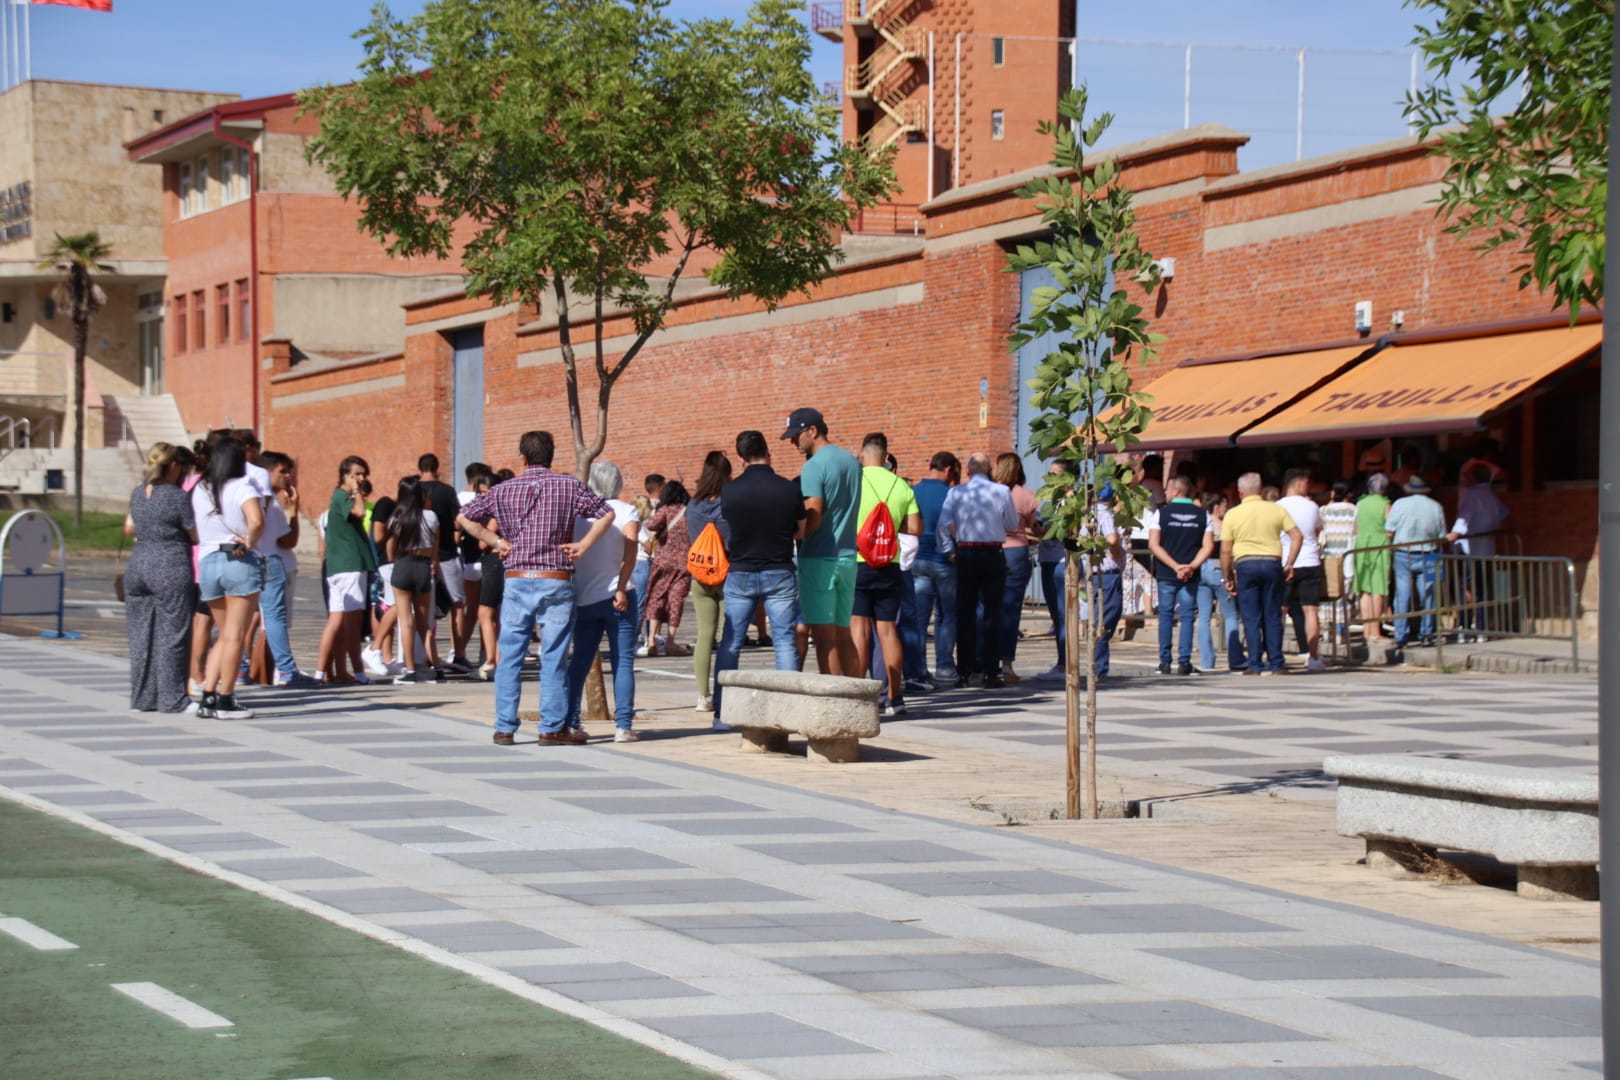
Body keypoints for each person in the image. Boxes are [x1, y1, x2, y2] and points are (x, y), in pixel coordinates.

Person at [457, 430, 616, 746]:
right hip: (555, 577)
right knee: (553, 654)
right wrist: (583, 544)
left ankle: (504, 726)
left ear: (523, 457)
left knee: (511, 656)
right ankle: (552, 726)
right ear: (552, 455)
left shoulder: (503, 489)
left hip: (517, 575)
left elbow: (465, 517)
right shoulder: (568, 485)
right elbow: (606, 512)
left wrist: (497, 542)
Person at [714, 429, 807, 723]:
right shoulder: (789, 489)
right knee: (784, 641)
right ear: (769, 452)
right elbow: (801, 529)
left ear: (741, 458)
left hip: (740, 571)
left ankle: (721, 713)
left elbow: (729, 527)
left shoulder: (729, 491)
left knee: (731, 642)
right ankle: (789, 712)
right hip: (779, 568)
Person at [563, 460, 642, 741]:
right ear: (617, 483)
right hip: (618, 594)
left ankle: (571, 722)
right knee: (623, 661)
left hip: (584, 596)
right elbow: (631, 547)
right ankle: (623, 726)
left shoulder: (578, 515)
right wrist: (621, 585)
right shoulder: (625, 510)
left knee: (580, 661)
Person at [783, 407, 862, 676]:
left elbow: (814, 513)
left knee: (824, 638)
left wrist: (796, 534)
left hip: (819, 558)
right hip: (848, 555)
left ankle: (830, 701)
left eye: (796, 435)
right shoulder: (852, 462)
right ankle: (856, 700)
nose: (793, 441)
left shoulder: (813, 466)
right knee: (844, 636)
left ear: (813, 431)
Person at [191, 436, 264, 719]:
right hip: (237, 559)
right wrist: (250, 541)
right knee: (235, 635)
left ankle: (208, 695)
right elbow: (256, 520)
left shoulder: (201, 488)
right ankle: (226, 698)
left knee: (223, 634)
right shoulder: (242, 486)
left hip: (208, 563)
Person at [125, 442, 198, 714]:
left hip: (138, 565)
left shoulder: (137, 493)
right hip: (169, 566)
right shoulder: (177, 496)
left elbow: (132, 525)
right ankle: (172, 699)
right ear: (175, 465)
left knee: (141, 636)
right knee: (173, 635)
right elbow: (194, 534)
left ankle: (143, 697)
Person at [851, 433, 921, 716]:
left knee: (859, 628)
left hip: (857, 562)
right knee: (888, 630)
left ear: (863, 453)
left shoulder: (854, 483)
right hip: (889, 564)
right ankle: (896, 696)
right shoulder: (902, 486)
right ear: (885, 454)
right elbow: (916, 529)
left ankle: (858, 694)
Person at [937, 451, 1018, 688]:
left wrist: (948, 551)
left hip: (966, 552)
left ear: (969, 471)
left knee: (965, 613)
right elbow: (1012, 523)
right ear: (990, 469)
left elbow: (943, 524)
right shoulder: (1002, 491)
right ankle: (990, 672)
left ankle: (964, 670)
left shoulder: (956, 492)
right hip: (993, 552)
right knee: (993, 613)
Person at [1220, 472, 1302, 676]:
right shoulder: (1276, 509)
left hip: (1246, 565)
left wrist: (1228, 576)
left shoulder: (1233, 514)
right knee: (1273, 614)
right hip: (1272, 563)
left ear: (1240, 492)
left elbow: (1225, 550)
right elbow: (1297, 536)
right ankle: (1276, 662)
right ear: (1260, 488)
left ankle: (1255, 664)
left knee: (1251, 616)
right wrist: (1290, 562)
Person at [316, 455, 376, 685]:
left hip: (337, 567)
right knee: (352, 623)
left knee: (336, 621)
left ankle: (324, 673)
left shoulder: (338, 497)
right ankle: (359, 673)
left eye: (363, 474)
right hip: (350, 566)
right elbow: (360, 512)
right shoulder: (344, 496)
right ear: (346, 475)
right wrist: (356, 491)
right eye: (357, 474)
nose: (361, 478)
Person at [255, 450, 311, 686]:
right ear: (267, 472)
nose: (287, 476)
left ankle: (251, 670)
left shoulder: (253, 498)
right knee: (273, 621)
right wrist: (295, 511)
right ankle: (285, 670)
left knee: (256, 622)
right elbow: (289, 540)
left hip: (254, 561)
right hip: (272, 562)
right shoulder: (270, 504)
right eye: (282, 471)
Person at [1147, 475, 1213, 675]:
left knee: (1166, 615)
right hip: (1190, 575)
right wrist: (1191, 566)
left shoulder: (1161, 514)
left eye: (1167, 489)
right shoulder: (1203, 515)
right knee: (1187, 616)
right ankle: (1184, 662)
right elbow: (1208, 545)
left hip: (1167, 573)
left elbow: (1153, 544)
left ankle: (1165, 662)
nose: (1164, 493)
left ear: (1176, 491)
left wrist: (1175, 566)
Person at [385, 476, 446, 683]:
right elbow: (435, 548)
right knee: (424, 624)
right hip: (423, 566)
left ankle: (410, 670)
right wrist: (433, 562)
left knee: (406, 621)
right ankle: (436, 667)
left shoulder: (397, 517)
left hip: (403, 565)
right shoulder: (431, 517)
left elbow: (391, 548)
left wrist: (395, 560)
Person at [686, 451, 732, 711]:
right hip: (728, 572)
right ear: (727, 474)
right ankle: (723, 693)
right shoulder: (730, 503)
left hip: (701, 574)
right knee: (729, 636)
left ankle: (703, 696)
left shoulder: (693, 505)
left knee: (704, 636)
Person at [909, 451, 959, 686]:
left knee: (919, 618)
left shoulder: (914, 491)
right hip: (943, 560)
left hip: (918, 559)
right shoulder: (951, 494)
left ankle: (918, 668)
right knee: (946, 615)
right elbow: (954, 528)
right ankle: (945, 667)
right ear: (948, 469)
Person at [418, 453, 471, 673]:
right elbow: (457, 521)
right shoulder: (446, 491)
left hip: (420, 556)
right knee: (458, 604)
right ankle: (458, 653)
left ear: (420, 468)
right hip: (446, 554)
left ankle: (425, 655)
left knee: (424, 608)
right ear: (437, 467)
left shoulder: (411, 488)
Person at [1446, 463, 1510, 637]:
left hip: (1470, 549)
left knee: (1465, 588)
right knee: (1482, 589)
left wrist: (1453, 534)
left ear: (1474, 478)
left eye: (1468, 475)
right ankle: (1482, 628)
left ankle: (1465, 626)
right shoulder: (1490, 494)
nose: (1465, 478)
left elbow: (1464, 517)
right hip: (1487, 549)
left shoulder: (1472, 495)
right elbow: (1503, 512)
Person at [1386, 473, 1447, 649]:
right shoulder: (1436, 506)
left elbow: (1389, 530)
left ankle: (1401, 635)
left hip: (1403, 553)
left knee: (1402, 595)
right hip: (1429, 552)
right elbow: (1441, 534)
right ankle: (1427, 634)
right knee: (1428, 595)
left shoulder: (1399, 504)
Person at [994, 453, 1040, 683]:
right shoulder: (1027, 496)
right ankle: (1007, 665)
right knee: (1011, 611)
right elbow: (1035, 526)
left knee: (989, 607)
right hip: (1017, 552)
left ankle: (984, 662)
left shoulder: (989, 493)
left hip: (992, 550)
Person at [1277, 468, 1327, 673]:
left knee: (1280, 609)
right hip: (1310, 561)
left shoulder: (1277, 507)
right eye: (1306, 483)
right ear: (1298, 484)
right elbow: (1318, 530)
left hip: (1284, 562)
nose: (1308, 487)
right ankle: (1313, 656)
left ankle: (1275, 653)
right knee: (1310, 610)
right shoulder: (1312, 506)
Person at [642, 479, 694, 657]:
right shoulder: (690, 512)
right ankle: (671, 641)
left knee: (657, 597)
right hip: (684, 564)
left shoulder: (665, 510)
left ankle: (651, 641)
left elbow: (651, 525)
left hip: (663, 562)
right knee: (676, 600)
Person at [1195, 492, 1246, 672]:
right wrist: (1229, 575)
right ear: (1217, 507)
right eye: (1224, 505)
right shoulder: (1222, 525)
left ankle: (1206, 661)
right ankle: (1235, 657)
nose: (1227, 508)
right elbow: (1227, 551)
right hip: (1218, 567)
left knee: (1203, 617)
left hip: (1201, 568)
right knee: (1231, 614)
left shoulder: (1200, 522)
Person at [1035, 461, 1072, 682]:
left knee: (1063, 613)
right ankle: (1062, 660)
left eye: (1054, 475)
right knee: (1055, 615)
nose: (1049, 479)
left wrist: (1047, 531)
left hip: (1062, 561)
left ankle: (1065, 663)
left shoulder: (1070, 503)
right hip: (1048, 559)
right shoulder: (1049, 503)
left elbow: (1069, 532)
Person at [1352, 472, 1394, 642]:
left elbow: (1356, 528)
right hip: (1380, 546)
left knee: (1364, 590)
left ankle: (1366, 630)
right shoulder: (1386, 504)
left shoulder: (1360, 503)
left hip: (1361, 545)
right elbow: (1391, 530)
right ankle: (1376, 631)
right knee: (1378, 589)